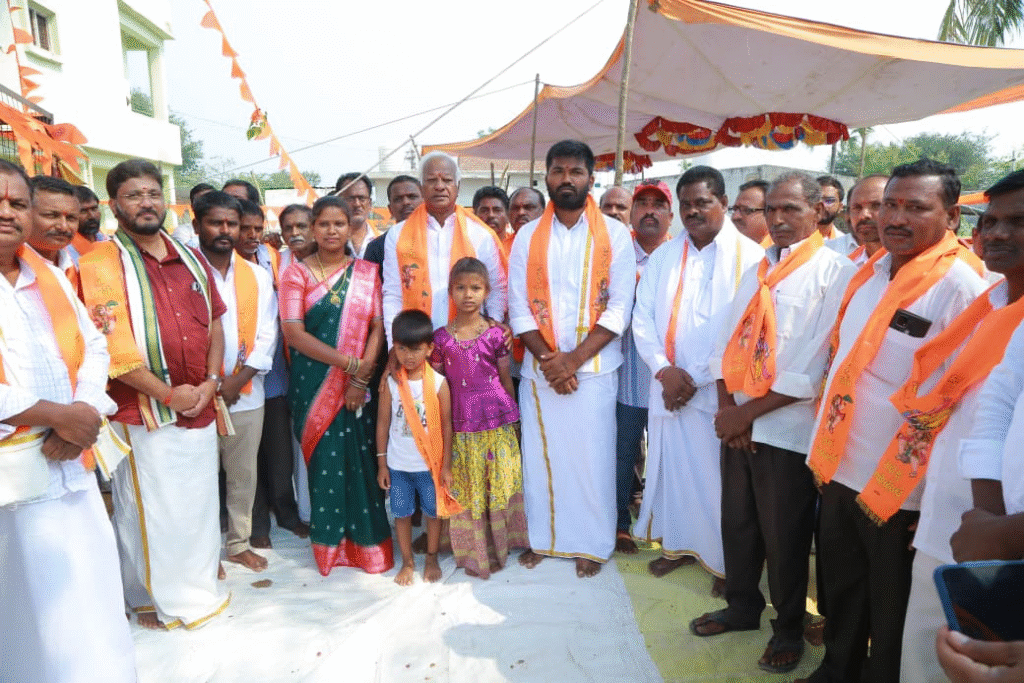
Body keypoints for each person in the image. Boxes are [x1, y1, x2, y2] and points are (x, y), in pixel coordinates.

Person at [800, 159, 988, 683]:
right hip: (840, 464)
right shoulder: (871, 270)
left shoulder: (961, 287)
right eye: (890, 205)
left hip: (899, 486)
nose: (896, 218)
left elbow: (960, 401)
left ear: (951, 216)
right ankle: (837, 669)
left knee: (890, 605)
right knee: (841, 587)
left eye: (915, 207)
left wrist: (931, 500)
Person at [692, 173, 856, 674]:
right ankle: (743, 607)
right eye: (772, 210)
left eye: (791, 209)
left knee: (784, 536)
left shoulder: (836, 272)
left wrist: (746, 413)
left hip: (786, 429)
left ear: (817, 211)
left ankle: (787, 628)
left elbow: (816, 364)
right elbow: (728, 343)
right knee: (738, 523)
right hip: (738, 423)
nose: (779, 219)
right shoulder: (758, 267)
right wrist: (728, 409)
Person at [0, 160, 136, 682]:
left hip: (71, 461)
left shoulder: (50, 276)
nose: (8, 212)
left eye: (17, 203)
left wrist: (82, 414)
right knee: (30, 606)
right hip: (13, 477)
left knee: (90, 588)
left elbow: (95, 347)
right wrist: (59, 417)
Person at [79, 158, 229, 630]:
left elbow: (216, 322)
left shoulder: (191, 256)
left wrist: (210, 383)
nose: (146, 203)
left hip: (200, 404)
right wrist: (168, 394)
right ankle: (156, 599)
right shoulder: (100, 263)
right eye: (134, 195)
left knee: (197, 506)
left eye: (152, 193)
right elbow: (113, 348)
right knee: (151, 510)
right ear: (114, 205)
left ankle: (195, 590)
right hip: (144, 410)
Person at [895, 170, 1024, 682]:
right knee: (926, 656)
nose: (997, 233)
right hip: (961, 522)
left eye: (1019, 222)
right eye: (990, 221)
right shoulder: (989, 303)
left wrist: (999, 533)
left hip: (1003, 540)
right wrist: (974, 518)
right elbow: (986, 414)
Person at [631, 165, 763, 593]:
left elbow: (747, 330)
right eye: (686, 204)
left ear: (724, 203)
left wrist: (699, 377)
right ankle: (678, 546)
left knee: (721, 481)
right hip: (669, 387)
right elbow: (642, 318)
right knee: (672, 471)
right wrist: (664, 370)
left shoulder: (752, 257)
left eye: (703, 202)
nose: (693, 211)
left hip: (721, 392)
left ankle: (726, 563)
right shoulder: (665, 255)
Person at [510, 139, 634, 578]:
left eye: (575, 171)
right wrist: (552, 363)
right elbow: (518, 307)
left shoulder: (615, 235)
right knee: (542, 458)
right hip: (541, 371)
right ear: (546, 177)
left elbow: (619, 308)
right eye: (558, 171)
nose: (566, 179)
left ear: (590, 179)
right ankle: (544, 539)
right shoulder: (527, 236)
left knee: (591, 459)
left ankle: (591, 544)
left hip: (594, 372)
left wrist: (572, 361)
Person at [279, 195, 392, 576]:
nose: (331, 231)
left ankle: (368, 546)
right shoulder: (295, 274)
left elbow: (378, 327)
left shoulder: (366, 273)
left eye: (338, 224)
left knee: (361, 463)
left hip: (359, 386)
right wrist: (349, 364)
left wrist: (360, 378)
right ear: (313, 228)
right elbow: (293, 333)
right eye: (324, 224)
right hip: (313, 386)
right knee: (326, 465)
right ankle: (330, 547)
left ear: (350, 227)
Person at [195, 191, 278, 573]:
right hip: (196, 396)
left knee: (243, 476)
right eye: (216, 223)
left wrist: (236, 381)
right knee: (200, 478)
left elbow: (268, 335)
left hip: (245, 394)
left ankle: (238, 543)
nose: (225, 230)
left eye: (232, 224)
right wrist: (211, 384)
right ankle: (204, 552)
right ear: (197, 226)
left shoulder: (257, 276)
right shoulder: (184, 272)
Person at [431, 257, 527, 578]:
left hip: (496, 418)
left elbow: (505, 377)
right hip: (460, 422)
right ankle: (474, 551)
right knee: (468, 482)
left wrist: (514, 417)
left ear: (486, 291)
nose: (468, 294)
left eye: (475, 288)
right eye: (460, 288)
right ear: (450, 292)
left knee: (496, 480)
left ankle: (500, 546)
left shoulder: (496, 335)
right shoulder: (441, 339)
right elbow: (438, 386)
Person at [382, 152, 507, 344]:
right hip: (415, 345)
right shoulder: (398, 235)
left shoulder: (480, 234)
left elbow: (497, 289)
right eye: (431, 180)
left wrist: (490, 328)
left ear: (458, 186)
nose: (439, 186)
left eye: (447, 180)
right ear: (421, 187)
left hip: (469, 344)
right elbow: (393, 294)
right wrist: (394, 344)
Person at [377, 309, 460, 585]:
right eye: (401, 349)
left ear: (429, 349)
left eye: (415, 349)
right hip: (399, 466)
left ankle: (432, 557)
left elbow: (447, 427)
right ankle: (408, 561)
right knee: (401, 514)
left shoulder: (438, 383)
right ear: (394, 348)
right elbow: (382, 424)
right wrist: (382, 464)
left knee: (432, 514)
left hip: (429, 467)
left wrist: (446, 466)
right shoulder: (391, 383)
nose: (408, 356)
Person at [615, 180, 674, 555]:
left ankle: (668, 525)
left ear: (671, 214)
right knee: (622, 454)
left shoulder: (680, 256)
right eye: (642, 204)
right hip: (628, 377)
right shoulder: (617, 254)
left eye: (658, 204)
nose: (650, 211)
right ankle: (619, 524)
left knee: (670, 455)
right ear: (633, 213)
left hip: (671, 379)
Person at [26, 175, 80, 288]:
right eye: (52, 216)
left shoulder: (74, 264)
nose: (64, 227)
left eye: (71, 218)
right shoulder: (9, 270)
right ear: (25, 214)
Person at [364, 175, 423, 272]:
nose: (406, 202)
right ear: (390, 209)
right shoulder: (376, 248)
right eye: (398, 199)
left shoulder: (440, 238)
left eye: (412, 197)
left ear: (424, 202)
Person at [842, 174, 887, 265]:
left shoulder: (914, 265)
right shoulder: (843, 266)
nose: (863, 215)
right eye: (857, 207)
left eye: (876, 206)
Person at [335, 172, 378, 258]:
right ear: (338, 202)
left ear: (370, 203)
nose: (357, 204)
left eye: (362, 198)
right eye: (350, 199)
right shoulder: (328, 241)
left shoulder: (383, 240)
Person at [817, 175, 855, 251]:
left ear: (840, 207)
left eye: (829, 201)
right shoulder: (794, 238)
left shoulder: (846, 246)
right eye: (817, 199)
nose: (822, 204)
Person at [730, 179, 771, 247]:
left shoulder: (780, 251)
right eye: (735, 209)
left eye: (746, 210)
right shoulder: (726, 248)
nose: (735, 217)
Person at [69, 184, 105, 261]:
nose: (92, 216)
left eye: (94, 209)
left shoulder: (105, 240)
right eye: (83, 211)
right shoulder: (65, 250)